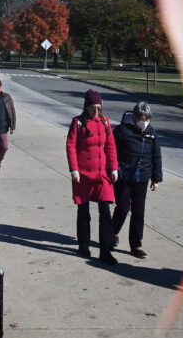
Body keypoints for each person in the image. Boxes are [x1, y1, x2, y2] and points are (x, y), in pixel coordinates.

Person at [66, 89, 119, 266]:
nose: (96, 111)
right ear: (86, 107)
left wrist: (114, 168)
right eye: (93, 108)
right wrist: (74, 170)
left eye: (99, 108)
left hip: (101, 174)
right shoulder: (78, 123)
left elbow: (110, 146)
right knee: (84, 212)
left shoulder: (104, 122)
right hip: (82, 175)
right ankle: (83, 245)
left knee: (105, 211)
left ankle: (105, 251)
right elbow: (71, 146)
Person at [111, 101, 163, 259]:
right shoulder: (121, 131)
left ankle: (136, 244)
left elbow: (156, 156)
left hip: (142, 177)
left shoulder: (151, 132)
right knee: (122, 207)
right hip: (124, 176)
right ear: (134, 117)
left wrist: (156, 178)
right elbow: (111, 152)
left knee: (138, 211)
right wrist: (112, 170)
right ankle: (112, 233)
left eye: (147, 119)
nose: (144, 121)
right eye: (141, 118)